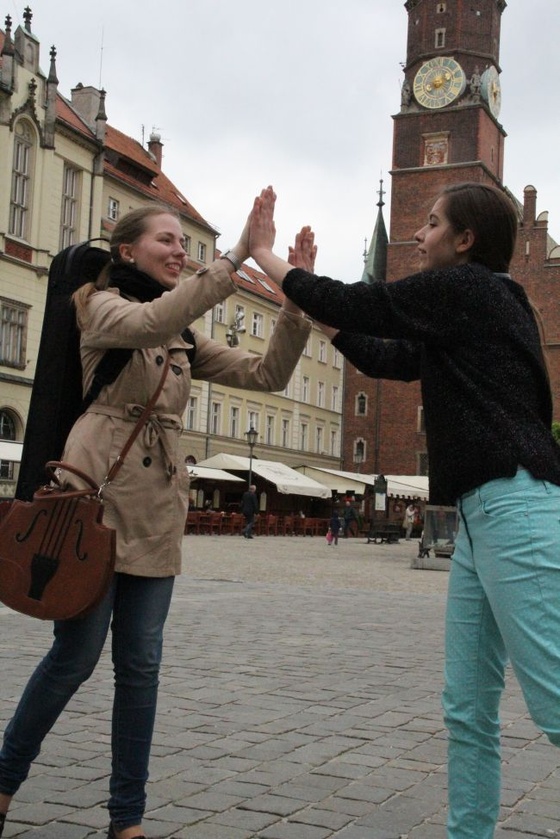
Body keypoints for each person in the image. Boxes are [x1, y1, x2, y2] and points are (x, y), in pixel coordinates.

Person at [248, 183, 560, 839]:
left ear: (465, 241)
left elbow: (366, 303)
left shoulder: (472, 289)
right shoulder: (468, 311)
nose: (418, 237)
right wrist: (304, 308)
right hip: (481, 518)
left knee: (554, 697)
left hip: (515, 503)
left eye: (432, 224)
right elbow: (385, 354)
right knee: (468, 709)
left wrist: (269, 257)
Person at [0, 194, 312, 839]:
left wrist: (294, 304)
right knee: (75, 659)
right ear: (126, 251)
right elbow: (152, 321)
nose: (179, 251)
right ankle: (4, 781)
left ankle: (127, 819)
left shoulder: (184, 337)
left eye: (186, 244)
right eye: (167, 240)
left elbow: (270, 374)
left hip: (159, 508)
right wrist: (234, 258)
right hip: (95, 504)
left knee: (140, 664)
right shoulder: (101, 307)